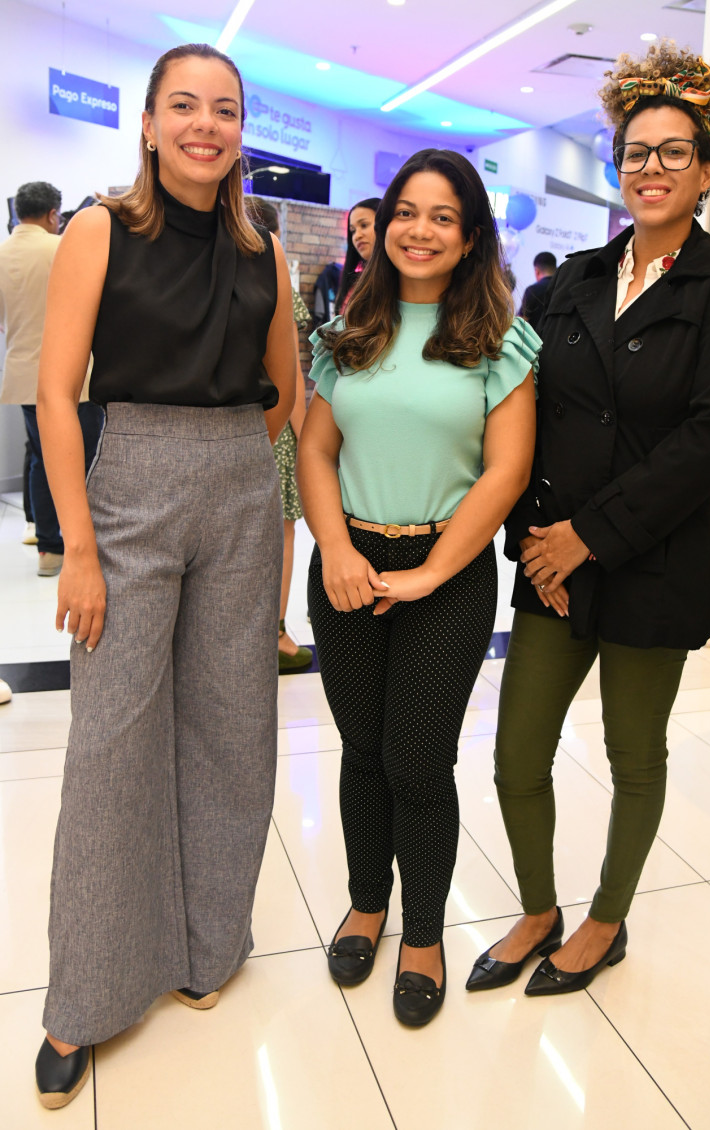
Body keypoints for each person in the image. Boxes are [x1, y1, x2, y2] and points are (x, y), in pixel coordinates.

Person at [465, 43, 710, 997]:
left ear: (707, 170)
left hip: (650, 562)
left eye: (673, 153)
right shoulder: (570, 285)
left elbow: (709, 441)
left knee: (635, 755)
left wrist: (587, 536)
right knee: (518, 756)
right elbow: (524, 416)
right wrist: (534, 540)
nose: (650, 168)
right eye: (635, 152)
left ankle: (604, 920)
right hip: (551, 561)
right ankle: (538, 908)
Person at [33, 43, 295, 1109]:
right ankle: (84, 996)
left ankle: (205, 942)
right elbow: (57, 395)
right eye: (182, 106)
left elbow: (284, 388)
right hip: (131, 481)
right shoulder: (100, 229)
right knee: (110, 740)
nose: (204, 124)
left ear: (241, 129)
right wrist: (84, 546)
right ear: (146, 124)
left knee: (232, 725)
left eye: (223, 109)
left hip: (239, 479)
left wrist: (232, 465)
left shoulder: (262, 240)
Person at [297, 149, 538, 1026]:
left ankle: (426, 932)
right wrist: (334, 548)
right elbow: (317, 452)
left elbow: (505, 473)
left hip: (450, 569)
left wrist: (434, 569)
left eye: (443, 215)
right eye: (407, 210)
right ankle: (368, 902)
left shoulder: (500, 339)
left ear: (471, 235)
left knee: (418, 760)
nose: (421, 229)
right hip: (349, 565)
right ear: (383, 223)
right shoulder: (343, 337)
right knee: (363, 752)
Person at [0, 181, 104, 576]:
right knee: (89, 459)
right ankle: (91, 545)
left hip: (25, 373)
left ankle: (49, 548)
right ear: (52, 214)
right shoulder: (61, 247)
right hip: (75, 376)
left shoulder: (2, 253)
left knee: (42, 459)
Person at [249, 198, 313, 671]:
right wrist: (307, 437)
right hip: (273, 426)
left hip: (228, 426)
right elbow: (287, 372)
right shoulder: (274, 278)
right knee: (281, 534)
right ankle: (275, 635)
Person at [333, 196, 380, 314]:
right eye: (353, 230)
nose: (357, 236)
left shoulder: (402, 281)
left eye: (364, 225)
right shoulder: (354, 282)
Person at [518, 250, 556, 334]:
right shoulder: (563, 289)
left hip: (534, 344)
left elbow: (521, 322)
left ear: (537, 271)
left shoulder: (533, 290)